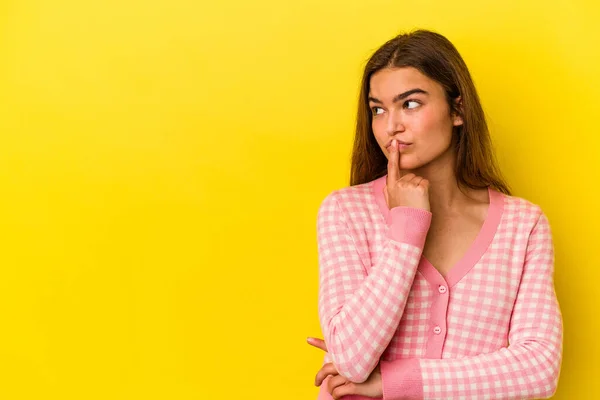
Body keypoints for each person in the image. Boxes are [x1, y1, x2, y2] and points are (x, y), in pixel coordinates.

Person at [306, 29, 563, 400]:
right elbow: (351, 357)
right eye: (378, 109)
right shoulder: (346, 211)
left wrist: (395, 382)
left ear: (458, 109)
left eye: (409, 104)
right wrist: (406, 230)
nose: (391, 125)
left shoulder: (523, 226)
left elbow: (538, 370)